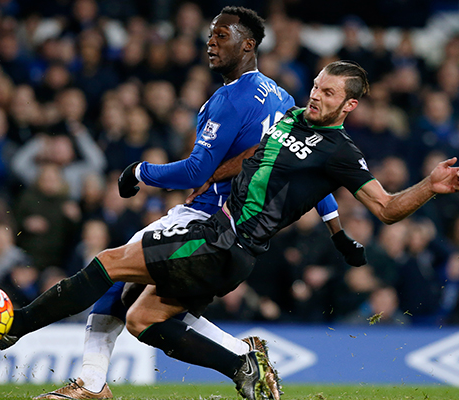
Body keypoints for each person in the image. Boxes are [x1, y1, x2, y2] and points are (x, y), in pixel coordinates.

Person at [31, 7, 363, 400]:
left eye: (222, 35)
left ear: (248, 44)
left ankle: (80, 374)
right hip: (231, 232)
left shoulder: (232, 98)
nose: (211, 42)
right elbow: (305, 174)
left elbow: (193, 172)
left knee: (114, 271)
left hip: (207, 220)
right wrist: (336, 229)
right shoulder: (284, 98)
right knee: (142, 309)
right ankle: (234, 358)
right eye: (211, 34)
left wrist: (139, 172)